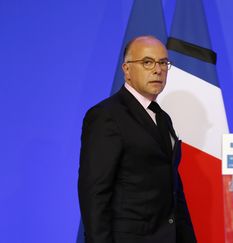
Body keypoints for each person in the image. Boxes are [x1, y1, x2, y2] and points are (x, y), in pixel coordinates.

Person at [78, 36, 197, 243]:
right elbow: (94, 194)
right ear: (126, 69)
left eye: (163, 63)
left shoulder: (162, 117)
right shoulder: (106, 116)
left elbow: (172, 188)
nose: (158, 70)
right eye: (147, 62)